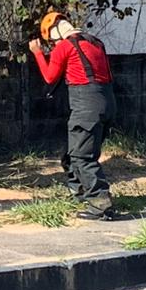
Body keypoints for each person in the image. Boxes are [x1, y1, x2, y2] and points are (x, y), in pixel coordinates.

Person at [29, 11, 117, 220]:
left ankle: (100, 203)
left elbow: (50, 77)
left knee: (82, 157)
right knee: (73, 153)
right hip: (107, 101)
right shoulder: (95, 42)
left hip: (86, 104)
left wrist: (38, 53)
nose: (52, 46)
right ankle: (78, 193)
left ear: (54, 34)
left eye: (51, 42)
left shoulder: (65, 46)